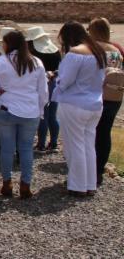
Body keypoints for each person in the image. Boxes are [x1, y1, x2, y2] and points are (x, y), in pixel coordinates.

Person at [0, 30, 48, 199]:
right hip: (30, 111)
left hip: (7, 108)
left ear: (8, 44)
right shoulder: (36, 62)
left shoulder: (3, 61)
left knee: (7, 149)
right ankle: (25, 184)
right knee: (26, 150)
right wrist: (40, 110)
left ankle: (7, 183)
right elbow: (43, 92)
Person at [52, 21, 108, 197]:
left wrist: (56, 80)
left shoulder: (75, 53)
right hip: (94, 104)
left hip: (74, 104)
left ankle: (77, 185)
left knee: (74, 145)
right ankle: (89, 183)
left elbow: (66, 80)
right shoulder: (98, 51)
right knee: (88, 145)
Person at [87, 18, 124, 187]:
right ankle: (98, 170)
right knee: (104, 133)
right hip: (114, 96)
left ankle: (87, 171)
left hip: (95, 96)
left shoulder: (92, 49)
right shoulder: (116, 49)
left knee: (90, 133)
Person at [25, 27, 62, 152]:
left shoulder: (35, 53)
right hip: (55, 84)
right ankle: (54, 143)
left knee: (43, 115)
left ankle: (41, 144)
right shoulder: (56, 50)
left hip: (41, 85)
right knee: (52, 115)